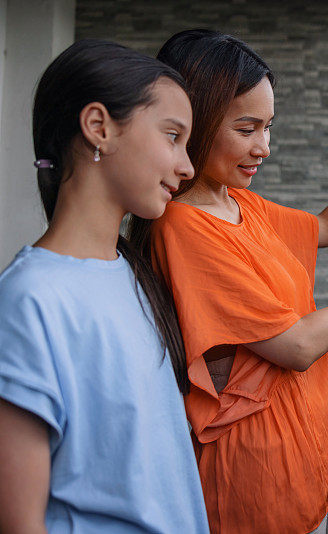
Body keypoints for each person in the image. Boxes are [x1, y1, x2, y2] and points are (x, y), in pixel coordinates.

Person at [129, 29, 328, 533]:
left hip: (301, 453)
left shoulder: (238, 204)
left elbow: (323, 229)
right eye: (247, 129)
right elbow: (296, 346)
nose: (264, 148)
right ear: (196, 123)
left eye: (268, 127)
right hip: (258, 477)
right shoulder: (184, 226)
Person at [0, 39, 209, 533]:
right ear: (99, 127)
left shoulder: (135, 276)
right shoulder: (29, 299)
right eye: (172, 136)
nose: (188, 166)